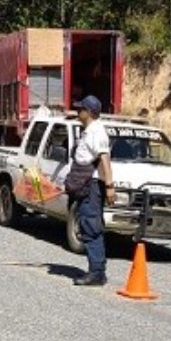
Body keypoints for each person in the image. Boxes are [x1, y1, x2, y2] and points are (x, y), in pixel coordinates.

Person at [71, 95, 116, 286]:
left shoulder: (96, 131)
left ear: (89, 112)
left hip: (92, 187)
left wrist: (109, 186)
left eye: (80, 109)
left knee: (91, 227)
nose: (77, 111)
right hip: (86, 186)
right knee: (88, 226)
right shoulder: (89, 130)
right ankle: (96, 270)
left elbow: (104, 159)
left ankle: (96, 273)